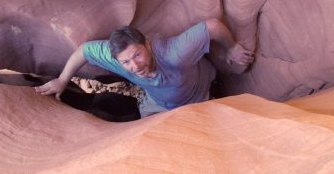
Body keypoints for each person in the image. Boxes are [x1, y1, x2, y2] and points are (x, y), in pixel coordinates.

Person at [35, 18, 253, 118]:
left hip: (197, 95)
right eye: (126, 62)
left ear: (147, 43)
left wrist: (232, 47)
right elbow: (83, 50)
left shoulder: (174, 53)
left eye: (137, 54)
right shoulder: (117, 57)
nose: (135, 65)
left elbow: (212, 26)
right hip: (158, 103)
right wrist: (63, 80)